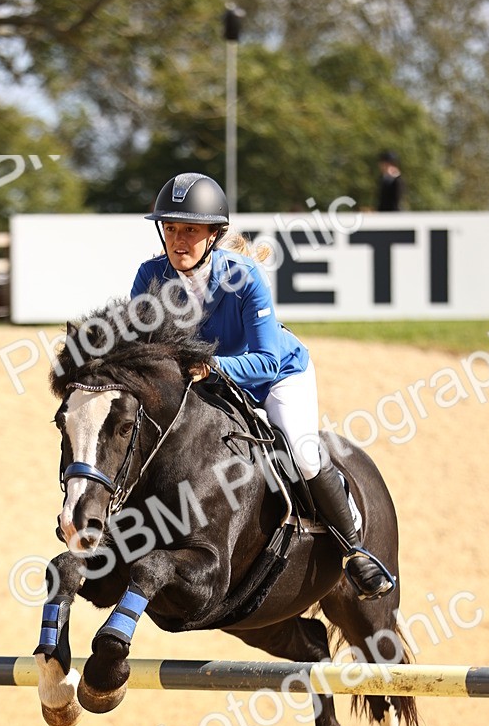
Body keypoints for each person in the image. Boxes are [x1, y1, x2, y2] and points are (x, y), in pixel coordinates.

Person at [130, 171, 394, 600]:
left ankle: (354, 551)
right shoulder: (149, 277)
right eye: (171, 228)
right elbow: (143, 350)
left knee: (303, 453)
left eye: (190, 230)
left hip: (276, 376)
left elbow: (268, 359)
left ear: (214, 235)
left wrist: (211, 366)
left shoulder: (244, 276)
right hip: (207, 381)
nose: (178, 240)